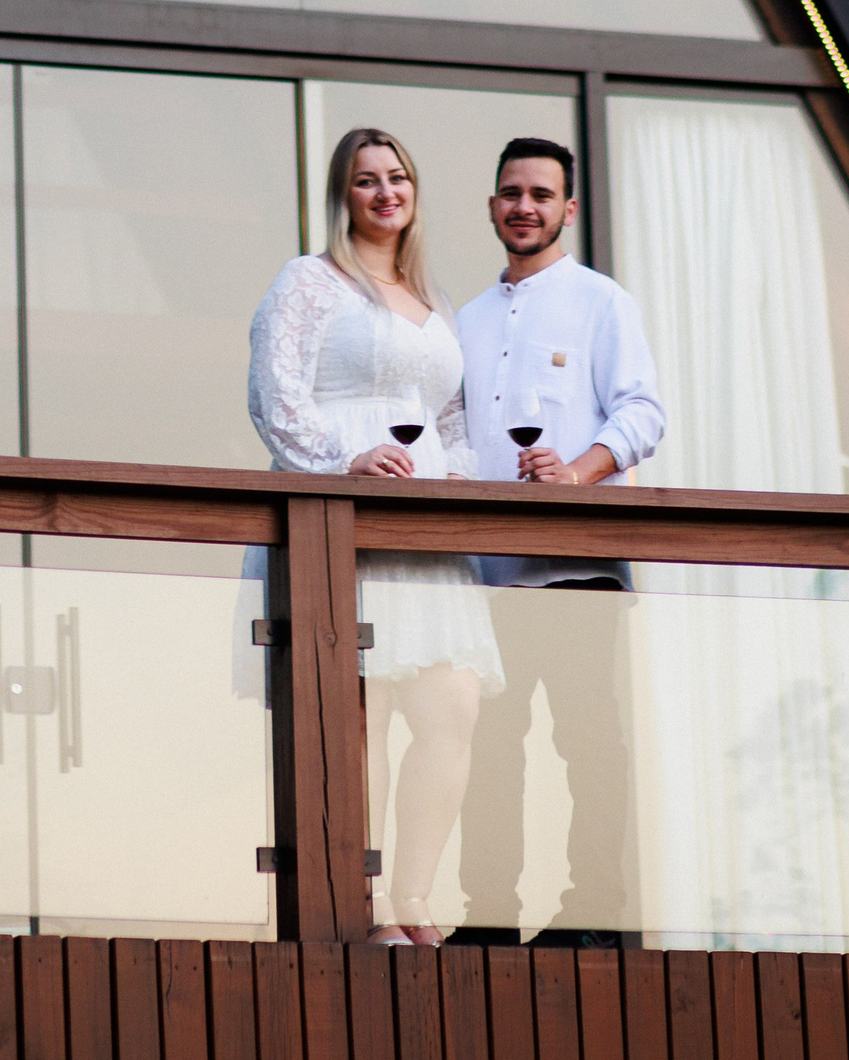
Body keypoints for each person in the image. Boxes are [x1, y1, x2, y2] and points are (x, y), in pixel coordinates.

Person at [248, 126, 502, 949]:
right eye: (367, 179)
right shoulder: (309, 281)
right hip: (342, 516)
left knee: (452, 707)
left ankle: (414, 894)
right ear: (343, 195)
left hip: (423, 529)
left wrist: (454, 477)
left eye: (398, 177)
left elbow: (454, 420)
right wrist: (341, 460)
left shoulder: (436, 302)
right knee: (363, 712)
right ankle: (364, 903)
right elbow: (274, 392)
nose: (386, 191)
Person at [454, 136, 665, 941]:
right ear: (492, 204)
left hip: (578, 564)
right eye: (512, 192)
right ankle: (487, 915)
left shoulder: (601, 301)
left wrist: (577, 472)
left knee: (588, 740)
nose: (525, 206)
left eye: (541, 194)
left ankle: (597, 911)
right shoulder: (465, 320)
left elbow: (643, 412)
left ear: (567, 209)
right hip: (487, 571)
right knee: (488, 745)